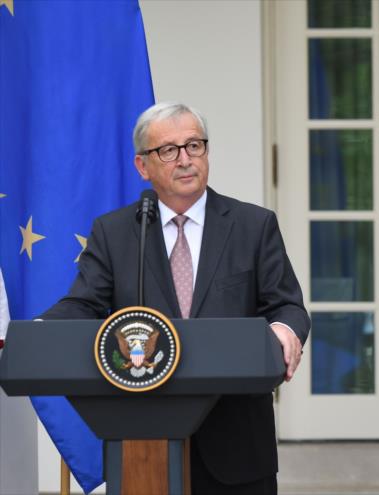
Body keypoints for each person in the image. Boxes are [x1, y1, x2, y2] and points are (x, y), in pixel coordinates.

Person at [41, 101, 310, 494]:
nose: (185, 159)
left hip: (236, 443)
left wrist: (285, 330)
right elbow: (83, 304)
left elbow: (285, 304)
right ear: (142, 166)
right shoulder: (115, 233)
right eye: (169, 150)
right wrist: (38, 333)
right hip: (144, 444)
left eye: (194, 146)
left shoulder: (253, 225)